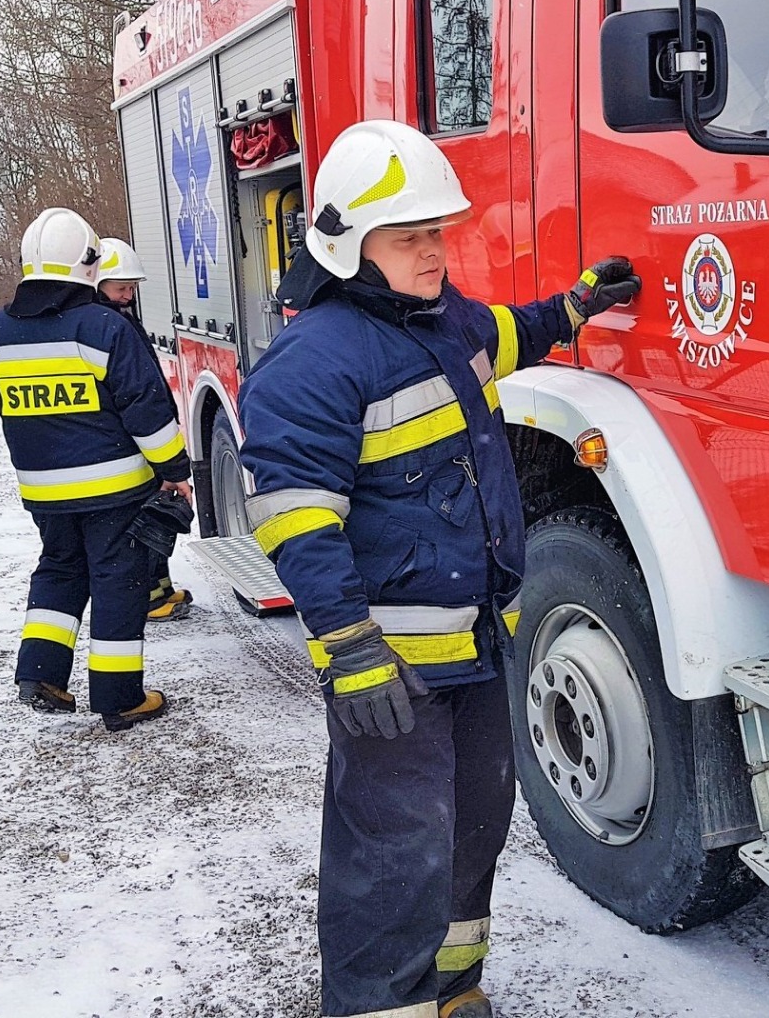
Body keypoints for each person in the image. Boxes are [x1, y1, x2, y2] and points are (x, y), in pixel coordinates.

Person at [236, 120, 639, 1018]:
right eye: (409, 237)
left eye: (437, 233)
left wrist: (573, 309)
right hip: (392, 666)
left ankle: (449, 986)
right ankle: (381, 1003)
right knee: (392, 850)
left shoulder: (443, 318)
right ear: (348, 245)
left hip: (473, 647)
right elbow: (297, 522)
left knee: (471, 828)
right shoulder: (313, 365)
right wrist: (350, 648)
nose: (432, 251)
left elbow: (504, 334)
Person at [0, 208, 190, 732]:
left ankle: (41, 673)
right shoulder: (102, 326)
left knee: (59, 569)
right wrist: (173, 469)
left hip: (43, 491)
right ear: (86, 264)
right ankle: (120, 698)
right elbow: (144, 405)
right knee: (118, 581)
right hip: (114, 489)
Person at [95, 236, 194, 623]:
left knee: (157, 516)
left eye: (132, 287)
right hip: (131, 447)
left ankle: (161, 588)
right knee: (145, 522)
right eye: (122, 288)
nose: (128, 294)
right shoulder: (107, 325)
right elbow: (135, 393)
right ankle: (150, 598)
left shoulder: (117, 318)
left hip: (143, 444)